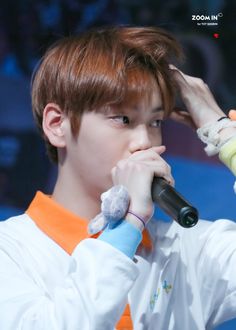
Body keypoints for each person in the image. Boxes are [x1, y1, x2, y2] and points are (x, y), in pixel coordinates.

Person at [0, 26, 236, 330]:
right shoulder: (13, 251)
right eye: (122, 119)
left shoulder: (189, 250)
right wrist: (125, 229)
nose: (144, 141)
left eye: (155, 121)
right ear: (57, 124)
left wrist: (223, 135)